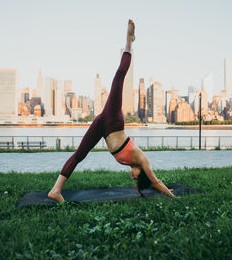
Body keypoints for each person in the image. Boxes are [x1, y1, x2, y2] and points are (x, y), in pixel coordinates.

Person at [48, 20, 175, 202]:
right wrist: (171, 195)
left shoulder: (134, 164)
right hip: (113, 120)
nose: (132, 176)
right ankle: (129, 41)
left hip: (103, 126)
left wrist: (161, 188)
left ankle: (55, 190)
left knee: (79, 155)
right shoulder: (142, 160)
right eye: (136, 177)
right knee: (119, 77)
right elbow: (155, 181)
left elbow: (154, 183)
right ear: (142, 173)